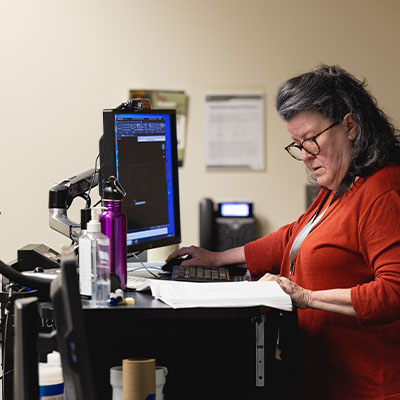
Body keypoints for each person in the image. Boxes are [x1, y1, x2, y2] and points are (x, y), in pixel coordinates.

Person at [167, 65, 400, 400]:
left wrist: (303, 296)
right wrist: (218, 257)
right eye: (297, 145)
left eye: (312, 140)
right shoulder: (342, 186)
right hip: (323, 379)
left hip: (368, 389)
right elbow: (296, 236)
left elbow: (393, 292)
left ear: (350, 126)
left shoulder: (383, 192)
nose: (305, 156)